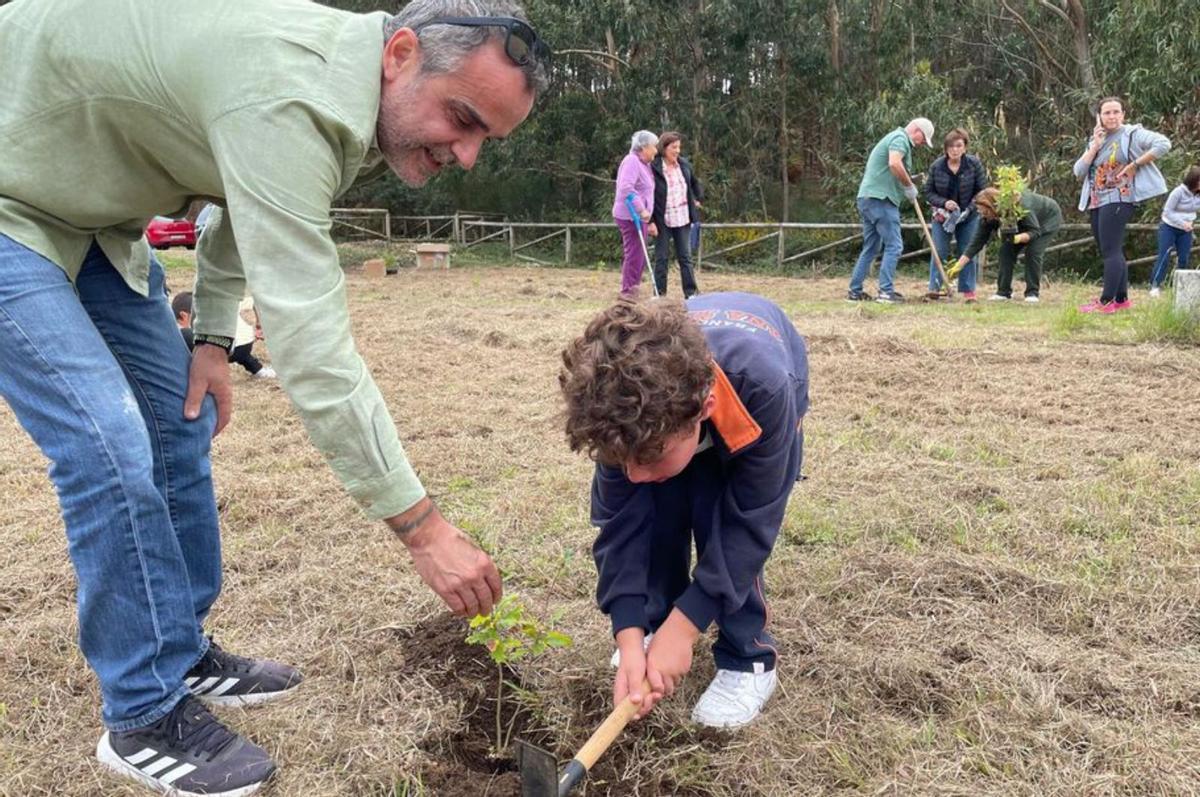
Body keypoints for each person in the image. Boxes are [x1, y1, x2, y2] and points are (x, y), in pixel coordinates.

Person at [0, 0, 548, 793]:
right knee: (110, 444)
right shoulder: (293, 95)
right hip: (13, 205)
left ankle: (178, 647)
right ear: (399, 54)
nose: (465, 154)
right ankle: (142, 713)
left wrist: (214, 339)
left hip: (94, 224)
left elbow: (229, 190)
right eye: (462, 118)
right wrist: (423, 528)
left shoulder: (342, 95)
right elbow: (311, 348)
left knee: (177, 421)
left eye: (483, 139)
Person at [558, 294, 808, 729]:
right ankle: (655, 623)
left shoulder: (766, 388)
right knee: (654, 510)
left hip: (756, 395)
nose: (633, 475)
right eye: (622, 462)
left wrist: (687, 626)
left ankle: (747, 660)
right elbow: (620, 527)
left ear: (703, 411)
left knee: (719, 518)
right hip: (672, 417)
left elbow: (750, 524)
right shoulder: (621, 412)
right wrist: (630, 632)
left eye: (650, 457)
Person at [1073, 96, 1171, 313]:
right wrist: (1094, 146)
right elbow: (1078, 171)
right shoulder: (1096, 139)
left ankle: (1106, 301)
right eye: (1107, 113)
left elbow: (1164, 144)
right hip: (1096, 200)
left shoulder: (1132, 134)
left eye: (1116, 112)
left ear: (1123, 114)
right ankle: (1121, 300)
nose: (1112, 117)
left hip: (1119, 197)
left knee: (1110, 250)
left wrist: (1136, 164)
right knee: (1110, 249)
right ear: (1099, 116)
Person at [847, 118, 935, 304]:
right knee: (894, 245)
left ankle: (855, 292)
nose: (921, 144)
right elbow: (894, 163)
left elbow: (891, 169)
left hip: (868, 198)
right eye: (923, 139)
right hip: (881, 200)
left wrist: (910, 179)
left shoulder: (893, 137)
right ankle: (886, 292)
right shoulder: (900, 138)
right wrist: (908, 185)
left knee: (871, 247)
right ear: (917, 130)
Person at [949, 187, 1062, 303]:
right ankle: (1003, 292)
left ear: (992, 206)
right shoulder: (987, 218)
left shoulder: (1020, 206)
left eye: (983, 210)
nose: (981, 213)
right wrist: (959, 264)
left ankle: (1032, 293)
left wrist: (1018, 238)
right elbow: (976, 242)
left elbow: (1035, 232)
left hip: (1047, 219)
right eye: (979, 211)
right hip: (1022, 226)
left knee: (1033, 252)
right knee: (1005, 251)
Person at [924, 128, 989, 301]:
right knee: (939, 250)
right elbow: (928, 192)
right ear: (946, 149)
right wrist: (944, 203)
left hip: (969, 215)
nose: (955, 149)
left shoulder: (974, 164)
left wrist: (970, 208)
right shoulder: (937, 166)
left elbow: (982, 191)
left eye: (958, 145)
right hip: (942, 216)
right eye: (951, 146)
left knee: (967, 251)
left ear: (965, 147)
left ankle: (968, 292)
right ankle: (935, 288)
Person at [173, 292, 277, 379]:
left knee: (192, 341)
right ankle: (259, 370)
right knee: (243, 356)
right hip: (245, 343)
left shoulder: (183, 331)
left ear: (183, 315)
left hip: (227, 347)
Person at [650, 131, 704, 297]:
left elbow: (695, 183)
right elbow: (647, 193)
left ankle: (691, 294)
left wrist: (698, 198)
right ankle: (659, 295)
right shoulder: (654, 167)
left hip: (683, 217)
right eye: (674, 147)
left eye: (679, 147)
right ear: (664, 148)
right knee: (662, 259)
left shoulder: (684, 164)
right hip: (662, 220)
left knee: (685, 258)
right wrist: (650, 220)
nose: (677, 150)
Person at [613, 130, 659, 296]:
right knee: (635, 256)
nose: (656, 150)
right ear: (644, 147)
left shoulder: (644, 165)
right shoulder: (631, 161)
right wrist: (641, 209)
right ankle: (628, 295)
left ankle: (633, 291)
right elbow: (626, 187)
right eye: (654, 146)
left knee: (639, 256)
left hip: (641, 218)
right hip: (630, 215)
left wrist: (649, 217)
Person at [1149, 166, 1200, 297]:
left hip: (1186, 230)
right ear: (1195, 181)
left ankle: (1179, 288)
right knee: (1164, 256)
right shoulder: (1178, 192)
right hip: (1169, 227)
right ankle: (1155, 285)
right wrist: (1182, 223)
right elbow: (1167, 211)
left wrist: (1188, 224)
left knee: (1184, 258)